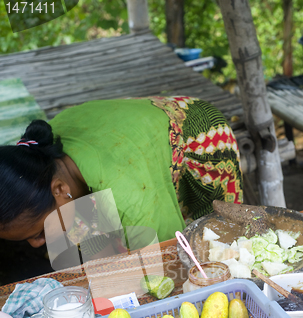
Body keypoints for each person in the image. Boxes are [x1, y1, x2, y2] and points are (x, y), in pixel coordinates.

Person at [0, 96, 243, 259]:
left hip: (201, 133)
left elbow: (168, 261)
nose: (37, 244)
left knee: (210, 242)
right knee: (85, 236)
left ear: (60, 189)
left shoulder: (131, 198)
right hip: (131, 133)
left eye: (39, 233)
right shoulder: (38, 150)